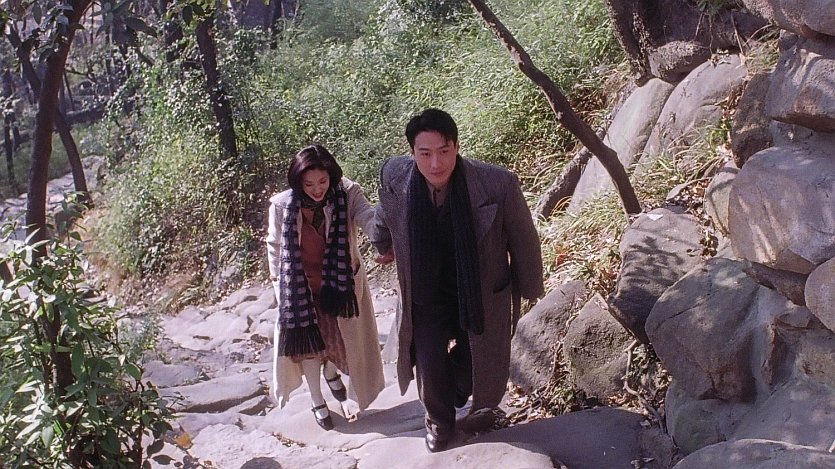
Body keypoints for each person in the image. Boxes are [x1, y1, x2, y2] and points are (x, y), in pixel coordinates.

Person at [374, 108, 544, 452]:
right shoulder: (395, 176)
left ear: (457, 147)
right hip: (425, 289)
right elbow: (384, 211)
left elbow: (524, 238)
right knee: (429, 360)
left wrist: (530, 286)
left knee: (472, 367)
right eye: (425, 154)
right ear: (412, 153)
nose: (436, 163)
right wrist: (382, 242)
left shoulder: (496, 183)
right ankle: (438, 423)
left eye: (444, 151)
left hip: (477, 290)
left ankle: (454, 389)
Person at [267, 144, 385, 430]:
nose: (317, 189)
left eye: (322, 181)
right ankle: (317, 399)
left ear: (332, 175)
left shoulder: (348, 193)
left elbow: (367, 217)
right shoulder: (282, 205)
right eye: (309, 184)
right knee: (307, 345)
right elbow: (275, 246)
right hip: (300, 290)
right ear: (298, 182)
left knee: (338, 339)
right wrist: (279, 288)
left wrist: (384, 238)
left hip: (339, 287)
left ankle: (331, 371)